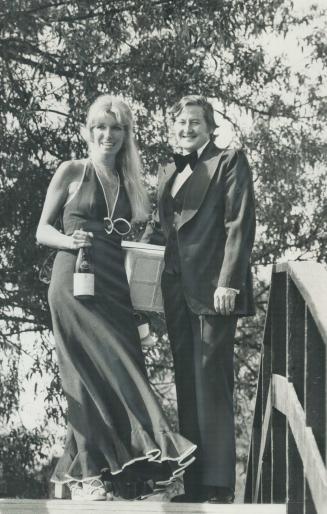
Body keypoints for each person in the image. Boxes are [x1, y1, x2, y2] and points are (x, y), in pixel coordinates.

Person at [36, 94, 196, 501]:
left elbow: (136, 244)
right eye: (100, 128)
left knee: (123, 369)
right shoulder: (71, 171)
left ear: (126, 135)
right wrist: (71, 242)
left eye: (116, 129)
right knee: (84, 372)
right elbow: (42, 232)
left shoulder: (130, 184)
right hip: (72, 280)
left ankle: (113, 475)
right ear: (89, 132)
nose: (108, 135)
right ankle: (94, 475)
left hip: (113, 284)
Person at [142, 95, 256, 504]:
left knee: (212, 382)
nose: (187, 129)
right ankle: (193, 486)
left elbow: (239, 224)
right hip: (176, 289)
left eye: (195, 122)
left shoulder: (228, 161)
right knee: (187, 385)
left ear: (210, 127)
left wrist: (229, 282)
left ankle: (219, 486)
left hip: (213, 290)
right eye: (180, 122)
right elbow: (160, 231)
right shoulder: (167, 170)